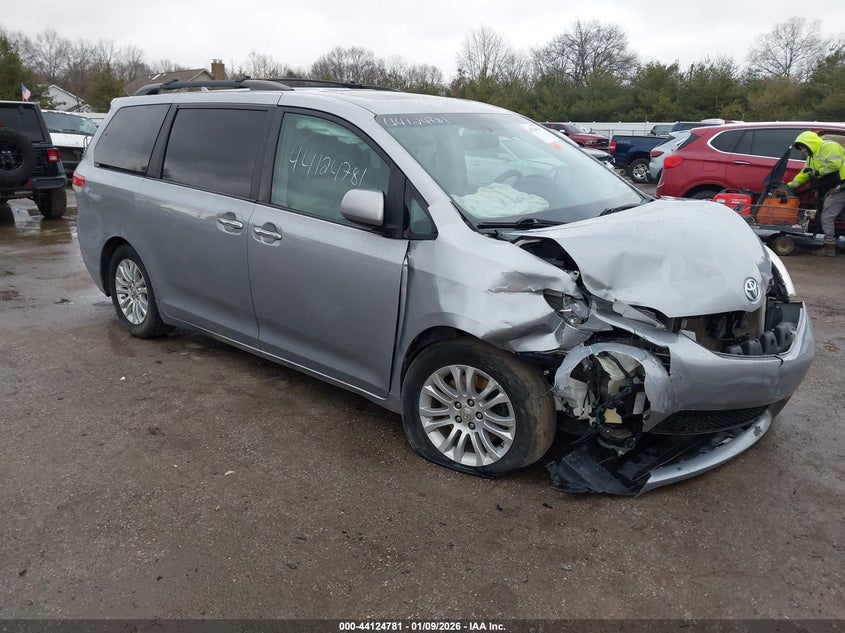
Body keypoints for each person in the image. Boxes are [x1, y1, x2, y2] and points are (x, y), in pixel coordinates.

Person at [786, 131, 845, 257]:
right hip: (834, 187)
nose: (802, 150)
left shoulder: (828, 146)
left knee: (827, 216)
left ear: (809, 144)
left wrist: (816, 173)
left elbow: (834, 165)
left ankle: (829, 248)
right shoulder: (811, 156)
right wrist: (790, 186)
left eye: (802, 147)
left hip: (840, 186)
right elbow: (805, 173)